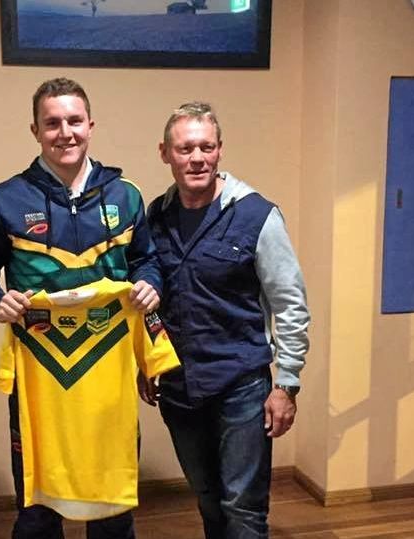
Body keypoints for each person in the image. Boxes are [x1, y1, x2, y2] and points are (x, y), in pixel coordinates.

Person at [0, 77, 161, 539]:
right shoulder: (6, 199)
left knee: (112, 504)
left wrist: (150, 282)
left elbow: (147, 259)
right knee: (37, 506)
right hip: (42, 374)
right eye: (52, 123)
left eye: (74, 121)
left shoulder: (125, 195)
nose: (65, 132)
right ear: (35, 130)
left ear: (91, 125)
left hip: (106, 375)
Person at [139, 102, 310, 539]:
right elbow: (148, 296)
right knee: (209, 500)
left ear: (219, 151)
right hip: (179, 389)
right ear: (165, 153)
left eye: (206, 147)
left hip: (242, 388)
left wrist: (286, 385)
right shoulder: (155, 217)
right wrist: (147, 360)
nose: (197, 158)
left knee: (244, 508)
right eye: (185, 148)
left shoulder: (257, 215)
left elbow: (290, 303)